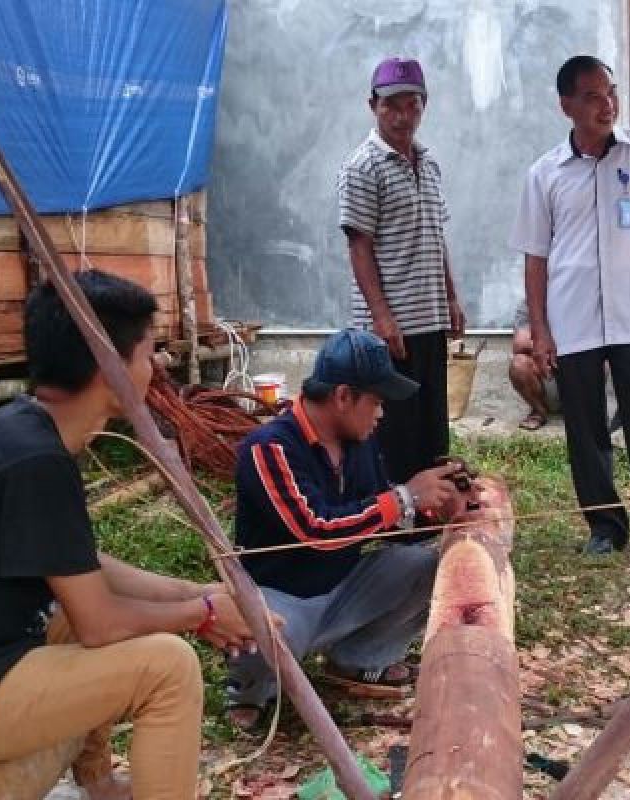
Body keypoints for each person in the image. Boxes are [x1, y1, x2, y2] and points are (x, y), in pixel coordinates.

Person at [0, 271, 258, 799]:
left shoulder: (19, 431)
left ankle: (99, 784)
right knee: (169, 667)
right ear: (107, 368)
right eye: (146, 352)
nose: (156, 365)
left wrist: (196, 595)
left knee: (69, 612)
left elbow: (79, 565)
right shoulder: (34, 461)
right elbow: (102, 625)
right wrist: (203, 616)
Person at [509, 54, 630, 569]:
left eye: (611, 93)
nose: (607, 104)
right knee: (585, 426)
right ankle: (605, 525)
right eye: (593, 95)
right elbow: (535, 258)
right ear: (567, 106)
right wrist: (541, 327)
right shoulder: (544, 173)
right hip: (572, 320)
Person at [228, 329, 462, 727]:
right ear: (342, 396)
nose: (381, 413)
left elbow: (377, 513)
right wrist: (405, 497)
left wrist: (433, 510)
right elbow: (315, 529)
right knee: (260, 629)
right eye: (376, 401)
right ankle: (249, 689)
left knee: (431, 568)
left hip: (343, 584)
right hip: (283, 600)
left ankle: (357, 659)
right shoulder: (269, 448)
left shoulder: (361, 443)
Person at [338, 57, 465, 485]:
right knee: (394, 426)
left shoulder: (429, 164)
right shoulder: (362, 166)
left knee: (431, 419)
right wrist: (381, 316)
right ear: (373, 105)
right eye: (392, 105)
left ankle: (434, 502)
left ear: (423, 107)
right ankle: (399, 515)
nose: (402, 115)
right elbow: (359, 244)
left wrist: (450, 297)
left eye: (412, 105)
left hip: (428, 317)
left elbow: (437, 235)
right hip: (390, 328)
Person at [509, 300, 562, 430]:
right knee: (519, 364)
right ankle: (539, 411)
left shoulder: (578, 299)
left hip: (576, 373)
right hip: (544, 376)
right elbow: (520, 343)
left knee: (599, 361)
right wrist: (554, 348)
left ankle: (583, 413)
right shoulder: (529, 303)